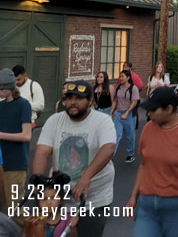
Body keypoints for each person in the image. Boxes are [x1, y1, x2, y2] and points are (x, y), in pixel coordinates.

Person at [32, 80, 116, 237]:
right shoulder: (54, 121)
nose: (72, 102)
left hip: (94, 198)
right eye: (69, 98)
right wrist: (38, 181)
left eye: (78, 98)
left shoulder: (103, 121)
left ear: (90, 101)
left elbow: (108, 148)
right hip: (62, 197)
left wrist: (86, 177)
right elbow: (42, 151)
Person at [127, 86, 178, 237]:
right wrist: (134, 196)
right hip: (147, 207)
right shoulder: (148, 129)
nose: (149, 114)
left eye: (153, 110)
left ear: (169, 109)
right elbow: (144, 165)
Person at [0, 68, 32, 225]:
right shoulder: (1, 106)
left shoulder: (23, 105)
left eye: (1, 88)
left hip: (16, 163)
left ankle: (32, 231)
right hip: (2, 162)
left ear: (10, 88)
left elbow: (26, 136)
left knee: (15, 207)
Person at [23, 171, 78, 237]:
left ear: (60, 200)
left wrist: (72, 227)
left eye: (53, 198)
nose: (48, 202)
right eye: (44, 199)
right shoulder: (35, 220)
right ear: (39, 202)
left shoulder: (67, 219)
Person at [110, 70, 139, 162]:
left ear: (128, 78)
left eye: (122, 76)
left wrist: (126, 113)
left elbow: (134, 102)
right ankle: (111, 155)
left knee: (130, 136)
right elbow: (115, 101)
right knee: (116, 135)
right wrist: (111, 113)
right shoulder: (118, 87)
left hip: (129, 115)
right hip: (118, 114)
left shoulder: (133, 88)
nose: (120, 78)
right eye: (120, 76)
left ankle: (130, 154)